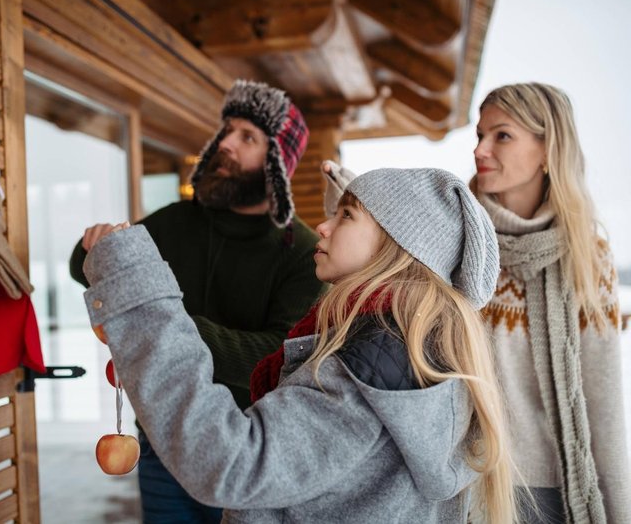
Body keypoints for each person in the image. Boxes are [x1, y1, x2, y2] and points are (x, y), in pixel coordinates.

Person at [80, 166, 518, 523]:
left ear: (397, 247)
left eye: (347, 215)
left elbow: (228, 461)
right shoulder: (416, 356)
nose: (324, 225)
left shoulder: (364, 372)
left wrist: (135, 291)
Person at [70, 80, 325, 522]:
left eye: (247, 137)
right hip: (160, 438)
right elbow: (83, 264)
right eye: (226, 130)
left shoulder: (303, 252)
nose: (224, 142)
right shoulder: (177, 221)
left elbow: (282, 355)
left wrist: (166, 325)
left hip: (246, 447)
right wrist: (98, 245)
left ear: (278, 164)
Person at [473, 82, 630, 523]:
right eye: (479, 135)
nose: (481, 149)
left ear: (547, 150)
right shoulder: (459, 240)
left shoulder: (586, 255)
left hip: (552, 490)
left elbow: (604, 400)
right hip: (466, 484)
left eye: (501, 135)